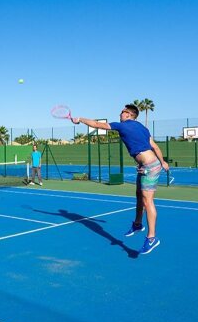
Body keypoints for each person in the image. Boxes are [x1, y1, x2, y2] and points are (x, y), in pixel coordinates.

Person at [72, 104, 169, 254]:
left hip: (149, 166)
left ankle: (151, 238)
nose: (119, 115)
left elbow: (98, 124)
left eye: (122, 112)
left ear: (129, 114)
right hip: (148, 165)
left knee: (147, 200)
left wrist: (80, 119)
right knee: (139, 196)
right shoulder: (143, 128)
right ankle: (137, 224)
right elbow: (155, 147)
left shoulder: (123, 126)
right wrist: (162, 162)